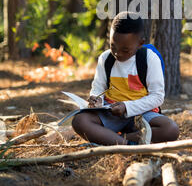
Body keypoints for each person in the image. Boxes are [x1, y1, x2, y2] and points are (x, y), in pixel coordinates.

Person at [72, 11, 180, 145]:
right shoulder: (105, 59)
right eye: (113, 46)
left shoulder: (149, 59)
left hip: (142, 115)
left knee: (170, 129)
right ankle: (127, 144)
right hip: (111, 115)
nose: (117, 53)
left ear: (140, 43)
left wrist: (126, 107)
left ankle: (115, 139)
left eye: (125, 50)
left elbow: (157, 97)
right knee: (79, 121)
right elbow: (98, 87)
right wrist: (96, 99)